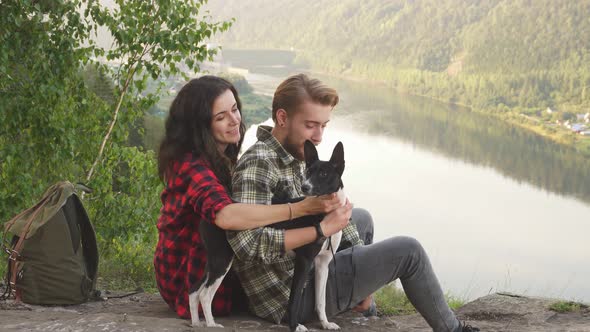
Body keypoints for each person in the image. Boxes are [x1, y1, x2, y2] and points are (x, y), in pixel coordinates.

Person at [227, 74, 479, 332]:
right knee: (409, 251)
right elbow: (247, 246)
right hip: (288, 295)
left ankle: (364, 308)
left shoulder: (294, 153)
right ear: (282, 118)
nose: (319, 136)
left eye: (324, 126)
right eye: (311, 125)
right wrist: (319, 231)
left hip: (310, 266)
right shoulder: (259, 163)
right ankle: (453, 330)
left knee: (361, 218)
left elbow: (331, 211)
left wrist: (363, 280)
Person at [153, 75, 351, 320]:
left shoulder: (223, 156)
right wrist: (303, 212)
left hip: (227, 261)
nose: (234, 120)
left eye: (235, 109)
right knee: (407, 251)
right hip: (190, 276)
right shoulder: (192, 166)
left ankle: (352, 290)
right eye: (220, 117)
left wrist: (329, 220)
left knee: (358, 221)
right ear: (200, 126)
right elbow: (226, 216)